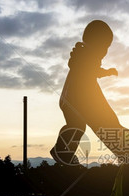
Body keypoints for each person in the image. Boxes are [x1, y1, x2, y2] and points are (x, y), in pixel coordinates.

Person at [51, 20, 119, 165]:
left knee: (77, 126)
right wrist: (107, 72)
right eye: (106, 46)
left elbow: (87, 71)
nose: (106, 51)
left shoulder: (83, 53)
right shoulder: (88, 55)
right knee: (77, 127)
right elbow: (90, 71)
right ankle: (62, 151)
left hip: (69, 98)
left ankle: (64, 152)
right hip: (74, 99)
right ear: (98, 43)